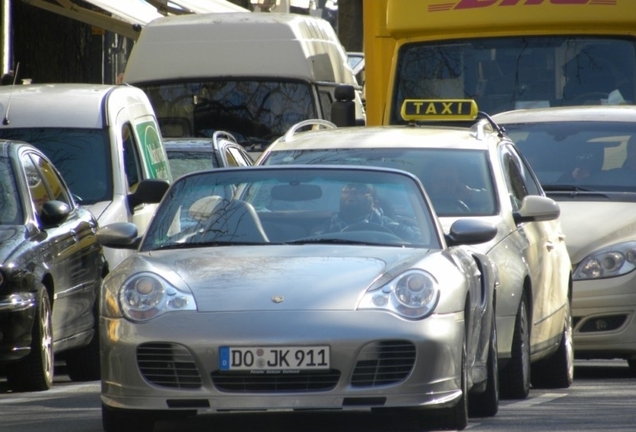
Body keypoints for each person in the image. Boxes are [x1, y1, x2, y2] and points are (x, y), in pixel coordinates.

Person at [319, 183, 420, 240]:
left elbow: (420, 242)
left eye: (362, 190)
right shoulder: (325, 229)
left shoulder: (395, 228)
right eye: (346, 189)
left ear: (374, 205)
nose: (352, 191)